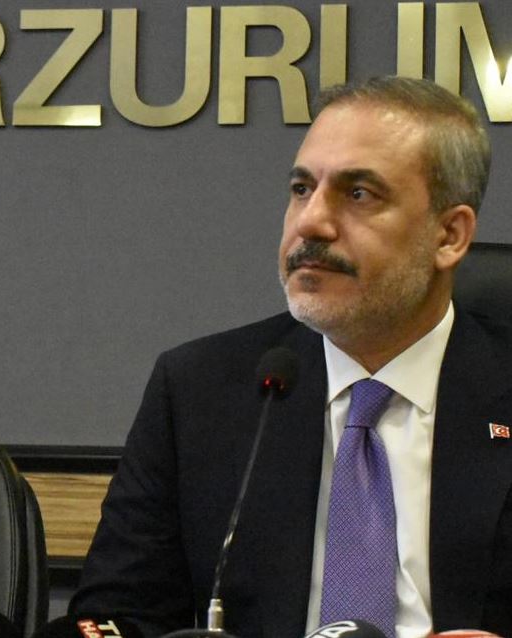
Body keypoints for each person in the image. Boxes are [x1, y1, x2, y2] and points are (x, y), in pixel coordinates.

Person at [70, 76, 512, 638]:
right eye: (302, 189)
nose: (311, 222)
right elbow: (117, 615)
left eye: (359, 194)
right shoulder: (200, 391)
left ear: (449, 235)